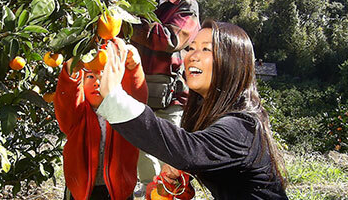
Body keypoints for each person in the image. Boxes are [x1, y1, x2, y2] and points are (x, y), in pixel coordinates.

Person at [97, 20, 289, 199]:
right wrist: (178, 182)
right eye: (191, 48)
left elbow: (187, 151)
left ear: (233, 63)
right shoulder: (206, 113)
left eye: (206, 49)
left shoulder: (242, 126)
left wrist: (116, 99)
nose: (192, 56)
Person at [130, 0, 201, 194]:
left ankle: (175, 192)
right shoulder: (148, 1)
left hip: (169, 93)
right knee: (140, 142)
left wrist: (129, 25)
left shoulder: (187, 6)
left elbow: (170, 39)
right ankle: (151, 187)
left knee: (169, 150)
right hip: (140, 86)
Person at [53, 46, 148, 200]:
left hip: (119, 191)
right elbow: (66, 102)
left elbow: (137, 96)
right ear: (81, 83)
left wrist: (133, 68)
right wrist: (71, 75)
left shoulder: (123, 113)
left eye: (105, 76)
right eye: (90, 77)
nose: (98, 82)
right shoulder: (77, 115)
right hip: (81, 192)